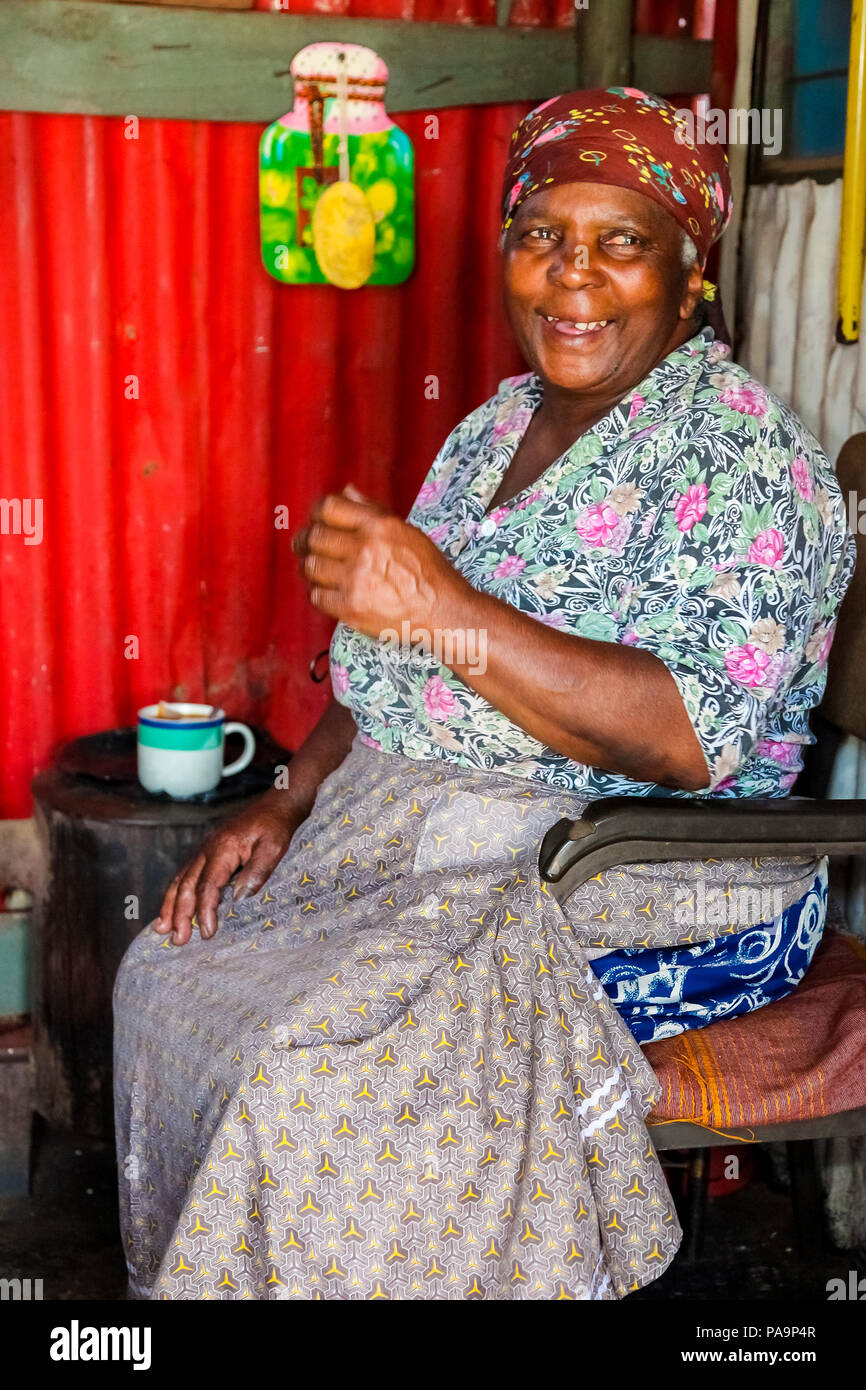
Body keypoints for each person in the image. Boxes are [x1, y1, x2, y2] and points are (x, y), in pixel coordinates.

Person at [114, 87, 855, 1300]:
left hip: (643, 871)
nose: (571, 277)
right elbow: (393, 661)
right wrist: (290, 798)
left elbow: (681, 737)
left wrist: (445, 607)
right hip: (417, 828)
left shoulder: (741, 456)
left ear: (686, 277)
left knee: (307, 1070)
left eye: (621, 242)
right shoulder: (492, 425)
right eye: (540, 236)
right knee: (172, 969)